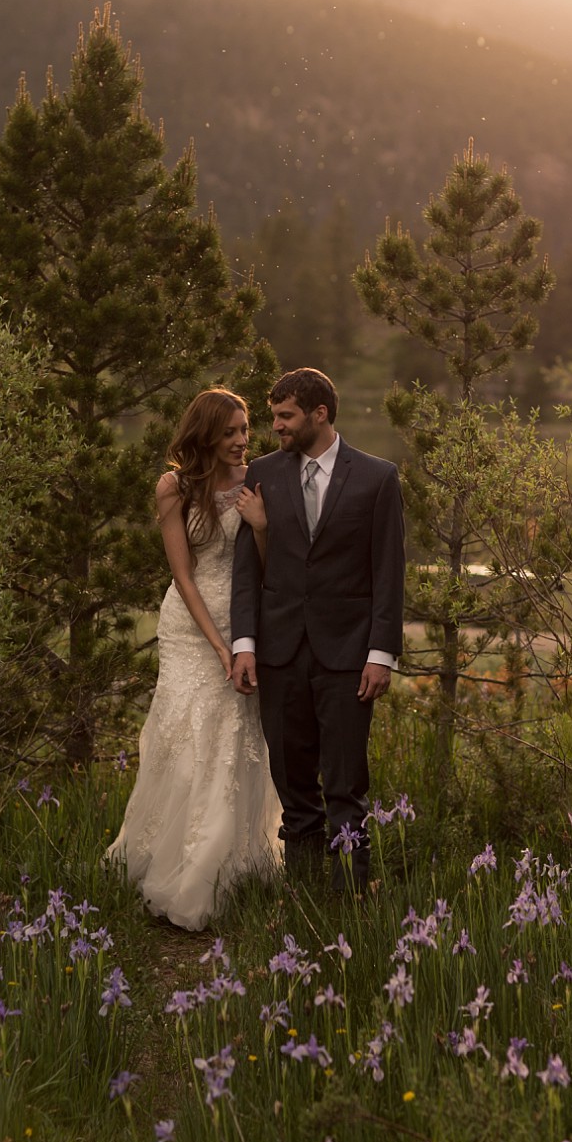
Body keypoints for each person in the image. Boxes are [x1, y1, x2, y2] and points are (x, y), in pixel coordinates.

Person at [105, 388, 281, 930]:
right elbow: (182, 577)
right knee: (184, 734)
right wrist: (219, 646)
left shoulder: (258, 483)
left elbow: (274, 568)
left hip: (244, 620)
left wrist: (261, 526)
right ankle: (168, 862)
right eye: (229, 432)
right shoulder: (174, 488)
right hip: (190, 627)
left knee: (237, 738)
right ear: (205, 434)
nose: (241, 441)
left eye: (245, 429)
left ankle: (235, 869)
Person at [231, 367, 405, 893]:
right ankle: (302, 901)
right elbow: (246, 568)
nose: (276, 427)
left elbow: (388, 573)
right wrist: (245, 644)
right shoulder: (262, 472)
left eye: (286, 416)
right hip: (280, 653)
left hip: (349, 656)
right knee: (294, 787)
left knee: (346, 786)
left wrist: (382, 654)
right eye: (274, 416)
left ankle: (347, 903)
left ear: (320, 413)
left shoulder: (377, 477)